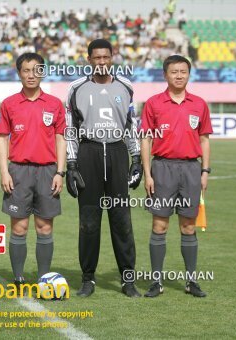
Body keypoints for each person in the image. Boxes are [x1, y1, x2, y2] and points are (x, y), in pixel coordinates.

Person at [66, 39, 143, 297]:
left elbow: (130, 126)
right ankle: (88, 279)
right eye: (96, 58)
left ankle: (128, 280)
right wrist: (72, 164)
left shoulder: (126, 87)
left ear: (113, 58)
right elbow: (70, 131)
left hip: (118, 153)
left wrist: (136, 159)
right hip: (89, 153)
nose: (101, 62)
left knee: (122, 220)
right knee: (89, 221)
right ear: (89, 59)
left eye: (105, 58)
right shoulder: (76, 88)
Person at [140, 55, 212, 298]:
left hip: (191, 170)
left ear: (188, 74)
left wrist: (204, 170)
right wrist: (148, 174)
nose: (179, 75)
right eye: (174, 71)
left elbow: (204, 139)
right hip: (162, 169)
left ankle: (192, 281)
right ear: (165, 75)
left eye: (183, 71)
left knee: (188, 226)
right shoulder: (153, 103)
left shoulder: (199, 104)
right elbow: (146, 139)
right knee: (159, 225)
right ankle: (156, 282)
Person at [0, 52, 66, 287]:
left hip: (48, 172)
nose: (31, 75)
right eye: (26, 70)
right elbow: (2, 139)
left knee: (44, 227)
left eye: (36, 70)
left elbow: (61, 139)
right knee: (20, 227)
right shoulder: (9, 104)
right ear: (19, 73)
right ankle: (18, 278)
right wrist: (5, 172)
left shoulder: (55, 104)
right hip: (18, 171)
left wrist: (60, 171)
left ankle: (44, 279)